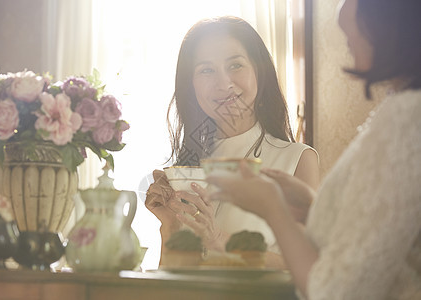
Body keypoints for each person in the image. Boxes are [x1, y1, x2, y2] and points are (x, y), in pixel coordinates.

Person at [207, 0, 421, 298]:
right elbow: (382, 237)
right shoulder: (403, 110)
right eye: (206, 70)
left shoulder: (407, 118)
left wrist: (272, 207)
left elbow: (338, 290)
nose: (342, 10)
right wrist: (313, 208)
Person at [145, 16, 319, 268]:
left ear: (259, 71)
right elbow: (171, 282)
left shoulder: (297, 159)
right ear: (191, 85)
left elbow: (311, 267)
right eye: (206, 70)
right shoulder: (184, 171)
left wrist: (218, 239)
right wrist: (169, 224)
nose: (223, 83)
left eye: (235, 65)